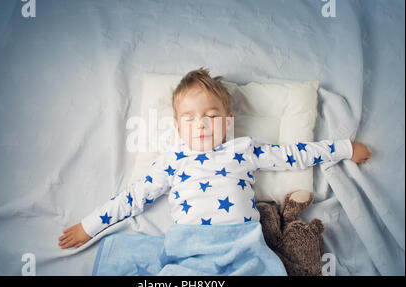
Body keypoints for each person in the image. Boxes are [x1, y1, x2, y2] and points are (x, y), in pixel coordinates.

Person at [58, 68, 372, 249]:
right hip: (191, 249)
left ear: (227, 120)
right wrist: (90, 225)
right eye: (191, 119)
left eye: (211, 115)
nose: (203, 124)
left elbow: (293, 155)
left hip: (244, 246)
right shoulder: (173, 160)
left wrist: (343, 148)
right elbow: (134, 197)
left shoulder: (243, 149)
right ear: (179, 127)